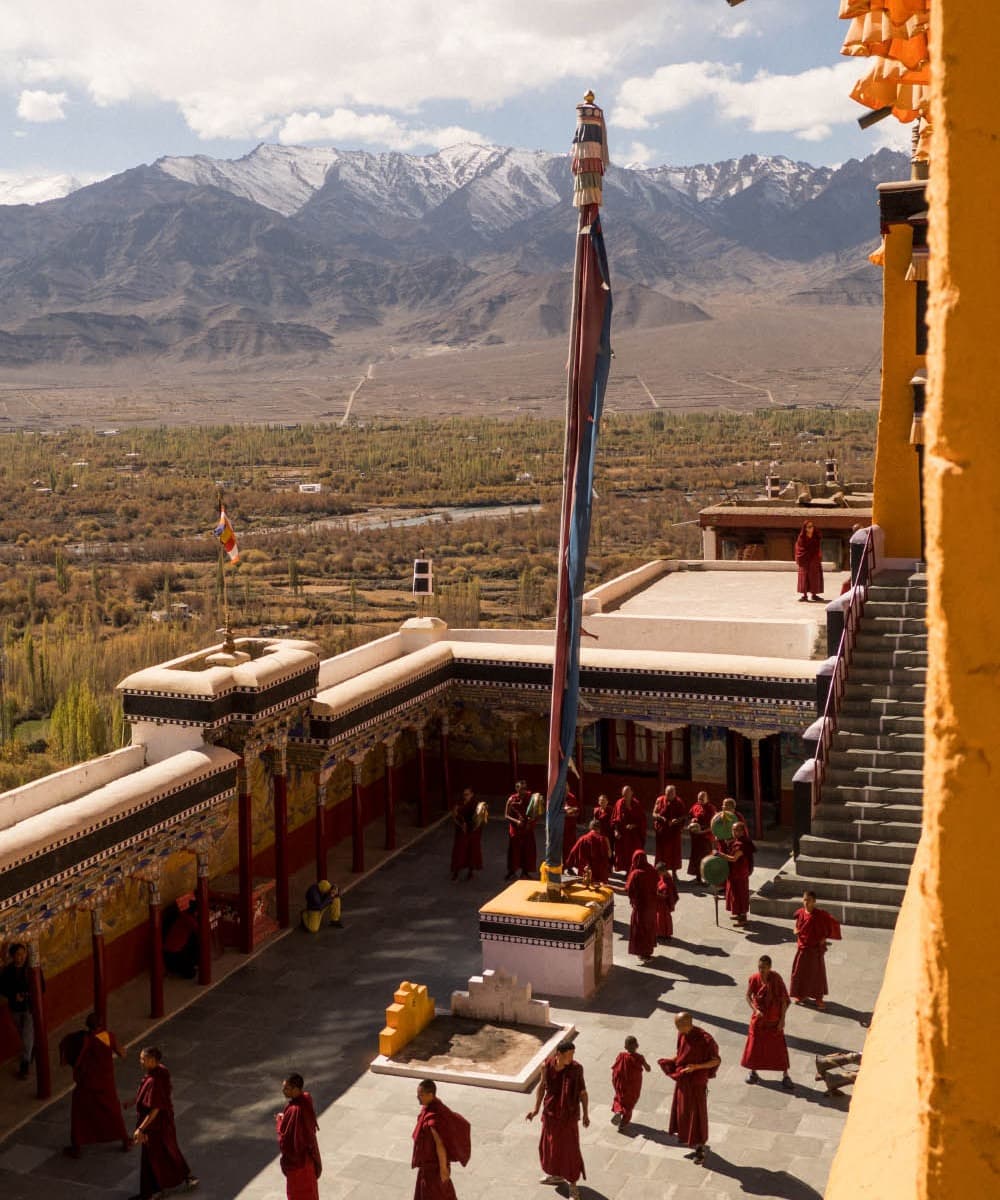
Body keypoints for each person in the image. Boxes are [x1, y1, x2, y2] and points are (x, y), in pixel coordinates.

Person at [130, 1046, 198, 1199]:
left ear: (153, 1061)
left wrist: (141, 1129)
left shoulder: (155, 1080)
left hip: (156, 1125)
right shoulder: (162, 1070)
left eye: (143, 1059)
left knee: (152, 1156)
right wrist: (134, 1100)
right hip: (165, 1122)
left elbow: (155, 1109)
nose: (140, 1061)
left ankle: (154, 1190)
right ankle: (186, 1177)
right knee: (169, 1149)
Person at [526, 1038, 589, 1200]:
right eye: (569, 1054)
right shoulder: (546, 1066)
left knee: (570, 1149)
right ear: (559, 1054)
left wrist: (586, 1114)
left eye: (573, 1054)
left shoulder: (576, 1069)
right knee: (550, 1146)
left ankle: (573, 1185)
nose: (572, 1058)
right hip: (551, 1113)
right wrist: (536, 1109)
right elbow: (542, 1086)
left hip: (568, 1115)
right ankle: (556, 1175)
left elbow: (582, 1093)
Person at [658, 1012, 720, 1167]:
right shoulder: (682, 1034)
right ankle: (691, 1141)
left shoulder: (706, 1039)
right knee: (683, 1112)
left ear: (689, 1023)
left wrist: (696, 1067)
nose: (678, 1029)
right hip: (683, 1080)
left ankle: (700, 1148)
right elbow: (681, 1054)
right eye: (676, 1026)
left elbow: (716, 1060)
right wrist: (671, 1061)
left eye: (680, 1026)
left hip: (696, 1083)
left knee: (696, 1115)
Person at [64, 1013, 129, 1157]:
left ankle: (77, 1146)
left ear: (88, 1025)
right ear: (101, 1023)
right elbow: (123, 1054)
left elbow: (77, 1061)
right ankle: (125, 1140)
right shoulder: (108, 1036)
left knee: (79, 1113)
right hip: (106, 1083)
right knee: (113, 1111)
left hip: (87, 1083)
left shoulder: (85, 1040)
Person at [411, 1078, 471, 1199]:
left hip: (434, 1168)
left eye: (421, 1095)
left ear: (430, 1095)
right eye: (417, 1094)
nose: (418, 1097)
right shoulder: (434, 1106)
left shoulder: (433, 1121)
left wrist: (443, 1170)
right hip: (428, 1166)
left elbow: (440, 1145)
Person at [741, 956, 794, 1090]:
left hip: (774, 1020)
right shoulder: (754, 978)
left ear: (770, 967)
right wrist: (755, 1010)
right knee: (754, 1045)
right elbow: (748, 996)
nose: (761, 970)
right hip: (759, 1020)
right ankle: (753, 1071)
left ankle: (785, 1075)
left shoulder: (776, 979)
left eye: (764, 968)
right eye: (759, 967)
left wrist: (782, 1020)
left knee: (779, 1048)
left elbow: (783, 1000)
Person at [790, 891, 842, 1009]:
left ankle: (819, 999)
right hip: (802, 948)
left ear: (814, 901)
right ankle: (801, 995)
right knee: (799, 972)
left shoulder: (820, 915)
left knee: (816, 975)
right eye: (804, 900)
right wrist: (795, 930)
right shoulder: (801, 913)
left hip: (814, 950)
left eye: (808, 900)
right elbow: (797, 925)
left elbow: (832, 924)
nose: (806, 902)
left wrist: (825, 937)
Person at [276, 1072, 322, 1200]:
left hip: (298, 1166)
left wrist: (280, 1123)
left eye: (287, 1088)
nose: (283, 1090)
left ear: (296, 1090)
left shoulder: (294, 1110)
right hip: (308, 1162)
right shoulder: (305, 1100)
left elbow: (286, 1140)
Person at [0, 942, 37, 1080]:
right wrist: (13, 995)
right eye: (18, 955)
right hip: (15, 1008)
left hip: (28, 1007)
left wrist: (27, 995)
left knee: (27, 1033)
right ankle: (31, 1049)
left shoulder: (31, 969)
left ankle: (25, 1063)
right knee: (23, 1033)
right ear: (13, 956)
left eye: (23, 954)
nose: (21, 957)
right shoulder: (8, 971)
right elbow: (2, 988)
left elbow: (41, 987)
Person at [716, 820, 753, 924]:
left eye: (737, 830)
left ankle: (743, 917)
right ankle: (739, 914)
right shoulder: (736, 841)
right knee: (734, 894)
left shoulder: (743, 843)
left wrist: (720, 855)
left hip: (740, 873)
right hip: (734, 871)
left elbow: (734, 858)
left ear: (742, 831)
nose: (734, 832)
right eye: (733, 830)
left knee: (741, 894)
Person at [610, 1035, 650, 1131]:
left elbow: (616, 1069)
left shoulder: (621, 1056)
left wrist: (615, 1083)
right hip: (633, 1086)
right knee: (629, 1104)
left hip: (621, 1084)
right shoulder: (639, 1058)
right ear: (637, 1045)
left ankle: (618, 1111)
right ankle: (623, 1124)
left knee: (619, 1099)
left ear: (625, 1047)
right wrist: (645, 1064)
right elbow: (648, 1069)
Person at [624, 850, 658, 961]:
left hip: (641, 907)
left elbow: (628, 890)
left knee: (640, 930)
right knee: (649, 928)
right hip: (652, 905)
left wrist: (610, 887)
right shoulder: (652, 870)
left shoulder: (636, 873)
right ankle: (647, 952)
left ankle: (642, 953)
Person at [504, 781, 537, 880]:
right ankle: (512, 871)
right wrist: (516, 821)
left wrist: (530, 823)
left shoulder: (530, 798)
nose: (523, 791)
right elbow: (506, 815)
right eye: (521, 789)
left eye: (525, 788)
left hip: (527, 828)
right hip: (515, 829)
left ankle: (525, 872)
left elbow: (535, 812)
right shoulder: (512, 799)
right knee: (514, 851)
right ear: (517, 789)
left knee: (527, 850)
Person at [611, 787, 647, 873]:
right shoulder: (619, 803)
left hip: (634, 835)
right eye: (624, 794)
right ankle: (627, 871)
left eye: (627, 794)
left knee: (634, 852)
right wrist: (616, 831)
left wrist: (633, 825)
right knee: (623, 854)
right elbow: (614, 819)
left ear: (632, 793)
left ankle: (633, 871)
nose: (625, 796)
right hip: (622, 833)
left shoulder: (636, 804)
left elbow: (642, 820)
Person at [565, 820, 612, 885]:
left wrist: (569, 865)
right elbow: (609, 855)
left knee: (586, 891)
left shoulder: (582, 839)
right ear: (599, 828)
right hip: (600, 873)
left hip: (585, 871)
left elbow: (573, 852)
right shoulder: (604, 839)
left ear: (590, 828)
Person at [652, 785, 685, 876]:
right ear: (665, 793)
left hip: (674, 832)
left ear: (675, 793)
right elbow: (654, 813)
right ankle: (660, 872)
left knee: (674, 853)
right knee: (661, 853)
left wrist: (676, 820)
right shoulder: (659, 800)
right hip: (662, 831)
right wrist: (660, 817)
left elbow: (683, 816)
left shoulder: (679, 802)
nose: (669, 796)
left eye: (671, 794)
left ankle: (674, 873)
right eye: (668, 794)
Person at [450, 789, 482, 882]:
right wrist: (461, 825)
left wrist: (473, 826)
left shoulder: (475, 804)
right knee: (459, 851)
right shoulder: (459, 803)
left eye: (467, 794)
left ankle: (470, 872)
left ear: (472, 794)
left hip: (472, 830)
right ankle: (456, 872)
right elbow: (454, 816)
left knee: (472, 850)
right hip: (462, 830)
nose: (465, 796)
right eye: (464, 794)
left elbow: (479, 818)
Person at [162, 898, 199, 979]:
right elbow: (200, 931)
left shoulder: (183, 915)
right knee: (191, 973)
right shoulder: (189, 920)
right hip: (174, 955)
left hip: (171, 952)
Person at [685, 792, 717, 880]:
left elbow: (713, 825)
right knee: (696, 857)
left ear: (707, 799)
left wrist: (702, 831)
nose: (700, 800)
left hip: (706, 837)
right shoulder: (696, 806)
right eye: (699, 799)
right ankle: (698, 877)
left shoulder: (711, 809)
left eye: (702, 799)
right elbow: (690, 816)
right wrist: (691, 822)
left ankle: (708, 878)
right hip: (696, 837)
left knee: (706, 858)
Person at [795, 519, 824, 602]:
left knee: (815, 577)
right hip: (805, 560)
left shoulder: (816, 536)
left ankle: (814, 594)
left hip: (814, 559)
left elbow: (817, 547)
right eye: (809, 527)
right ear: (805, 528)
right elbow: (799, 548)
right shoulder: (802, 537)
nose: (811, 528)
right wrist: (803, 556)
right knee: (804, 577)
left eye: (812, 526)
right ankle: (804, 595)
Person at [655, 861, 679, 940]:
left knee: (664, 919)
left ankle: (665, 934)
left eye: (659, 872)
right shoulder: (664, 876)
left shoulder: (668, 880)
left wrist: (656, 894)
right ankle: (661, 933)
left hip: (664, 904)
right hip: (660, 903)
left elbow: (666, 894)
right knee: (661, 918)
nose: (658, 874)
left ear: (663, 871)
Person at [592, 794, 614, 860]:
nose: (602, 802)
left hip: (609, 833)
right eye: (601, 801)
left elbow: (614, 821)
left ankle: (609, 868)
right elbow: (594, 822)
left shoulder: (611, 810)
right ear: (598, 802)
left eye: (604, 801)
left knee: (609, 850)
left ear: (607, 802)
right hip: (599, 833)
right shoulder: (596, 810)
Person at [561, 789, 580, 866]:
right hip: (560, 827)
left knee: (570, 847)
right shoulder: (557, 796)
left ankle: (569, 865)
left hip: (570, 827)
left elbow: (577, 811)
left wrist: (571, 814)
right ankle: (560, 865)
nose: (565, 790)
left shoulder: (572, 797)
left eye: (567, 788)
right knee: (558, 847)